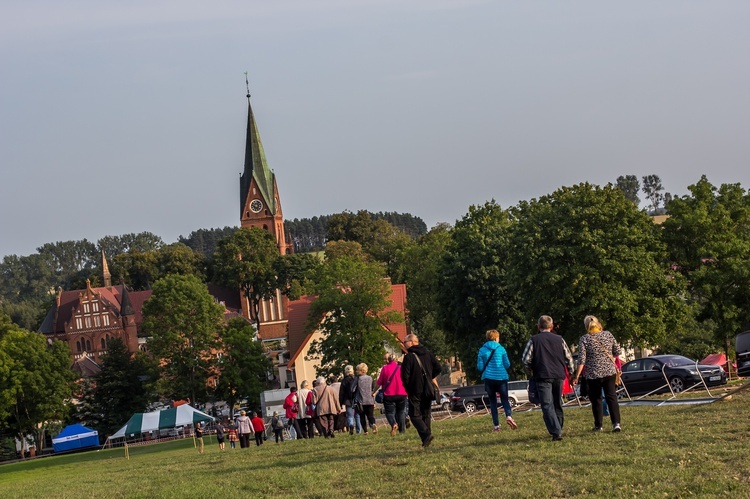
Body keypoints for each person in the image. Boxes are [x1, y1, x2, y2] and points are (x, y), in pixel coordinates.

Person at [522, 315, 575, 441]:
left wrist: (530, 368)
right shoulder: (559, 339)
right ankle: (558, 427)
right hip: (558, 375)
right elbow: (569, 357)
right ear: (551, 327)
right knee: (557, 402)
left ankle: (556, 431)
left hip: (542, 375)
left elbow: (525, 359)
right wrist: (572, 373)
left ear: (538, 326)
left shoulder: (534, 340)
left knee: (547, 404)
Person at [571, 315, 623, 432]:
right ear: (598, 323)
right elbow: (617, 352)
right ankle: (616, 423)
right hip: (609, 372)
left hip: (593, 374)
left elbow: (581, 360)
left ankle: (598, 425)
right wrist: (609, 363)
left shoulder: (584, 339)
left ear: (586, 326)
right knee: (611, 397)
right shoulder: (608, 335)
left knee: (596, 399)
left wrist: (577, 376)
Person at [401, 333, 441, 448]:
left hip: (415, 389)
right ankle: (426, 439)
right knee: (426, 413)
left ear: (412, 342)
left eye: (405, 342)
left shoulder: (409, 357)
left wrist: (408, 387)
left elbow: (405, 376)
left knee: (414, 415)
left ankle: (426, 434)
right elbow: (438, 367)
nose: (404, 345)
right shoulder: (427, 353)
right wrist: (429, 376)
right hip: (428, 388)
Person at [477, 329, 518, 432]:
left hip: (489, 379)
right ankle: (508, 416)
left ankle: (496, 426)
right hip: (501, 378)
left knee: (493, 402)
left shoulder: (482, 350)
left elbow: (480, 367)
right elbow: (507, 364)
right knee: (504, 399)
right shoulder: (501, 349)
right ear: (496, 337)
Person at [376, 353, 407, 436]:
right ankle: (402, 430)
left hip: (389, 394)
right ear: (396, 360)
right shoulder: (401, 368)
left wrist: (373, 392)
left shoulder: (385, 368)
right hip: (402, 393)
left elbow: (379, 382)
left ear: (388, 360)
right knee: (401, 412)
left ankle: (393, 424)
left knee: (389, 413)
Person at [339, 365, 363, 435]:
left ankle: (351, 425)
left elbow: (341, 393)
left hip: (348, 400)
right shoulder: (356, 378)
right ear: (352, 371)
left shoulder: (344, 381)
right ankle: (359, 431)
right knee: (357, 415)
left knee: (350, 415)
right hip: (356, 399)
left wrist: (340, 403)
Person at [355, 364, 378, 435]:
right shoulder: (370, 378)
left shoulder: (357, 379)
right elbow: (372, 389)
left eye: (357, 370)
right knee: (370, 415)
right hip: (370, 400)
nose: (356, 371)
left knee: (362, 416)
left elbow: (352, 389)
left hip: (361, 401)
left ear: (361, 371)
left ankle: (365, 431)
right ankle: (373, 424)